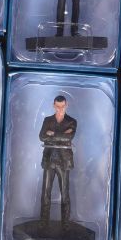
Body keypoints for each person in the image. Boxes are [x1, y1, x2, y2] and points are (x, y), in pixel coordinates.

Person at [39, 95, 77, 229]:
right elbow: (42, 136)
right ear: (53, 105)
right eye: (57, 106)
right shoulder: (47, 120)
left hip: (63, 161)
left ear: (66, 105)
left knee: (65, 194)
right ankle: (43, 223)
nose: (60, 109)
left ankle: (65, 225)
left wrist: (52, 134)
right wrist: (62, 135)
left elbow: (69, 137)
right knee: (45, 193)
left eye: (62, 106)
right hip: (49, 160)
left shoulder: (72, 121)